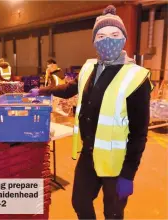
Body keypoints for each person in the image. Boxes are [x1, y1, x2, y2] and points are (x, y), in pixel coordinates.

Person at [27, 5, 152, 219]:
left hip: (117, 163)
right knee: (79, 202)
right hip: (90, 154)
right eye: (101, 36)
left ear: (124, 38)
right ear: (94, 41)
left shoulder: (136, 77)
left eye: (114, 35)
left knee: (112, 213)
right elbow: (69, 89)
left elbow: (139, 133)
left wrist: (128, 174)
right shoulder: (90, 68)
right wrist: (42, 90)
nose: (107, 40)